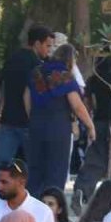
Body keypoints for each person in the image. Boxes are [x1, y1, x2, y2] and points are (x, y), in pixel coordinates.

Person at [0, 25, 55, 197]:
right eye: (47, 46)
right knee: (34, 164)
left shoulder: (12, 59)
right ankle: (30, 199)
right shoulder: (37, 66)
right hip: (28, 122)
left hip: (8, 119)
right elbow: (34, 94)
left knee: (0, 162)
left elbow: (5, 88)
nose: (48, 50)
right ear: (37, 43)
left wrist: (0, 112)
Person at [24, 44, 94, 195]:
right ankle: (51, 207)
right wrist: (90, 126)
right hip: (58, 127)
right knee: (56, 170)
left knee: (35, 169)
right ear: (71, 59)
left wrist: (33, 118)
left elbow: (27, 98)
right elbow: (77, 106)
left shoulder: (37, 72)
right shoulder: (65, 76)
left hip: (36, 125)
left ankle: (32, 205)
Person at [75, 56, 111, 203]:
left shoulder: (93, 80)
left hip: (99, 123)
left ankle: (82, 191)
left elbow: (87, 105)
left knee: (94, 160)